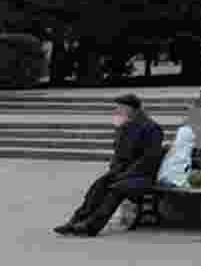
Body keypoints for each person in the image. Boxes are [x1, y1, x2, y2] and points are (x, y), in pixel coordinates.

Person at [54, 94, 164, 237]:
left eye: (120, 108)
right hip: (122, 171)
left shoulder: (151, 128)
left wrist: (126, 173)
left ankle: (91, 226)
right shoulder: (125, 125)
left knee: (116, 189)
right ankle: (75, 221)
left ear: (132, 109)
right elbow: (119, 154)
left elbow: (149, 159)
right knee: (99, 186)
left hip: (142, 175)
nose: (117, 111)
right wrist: (115, 169)